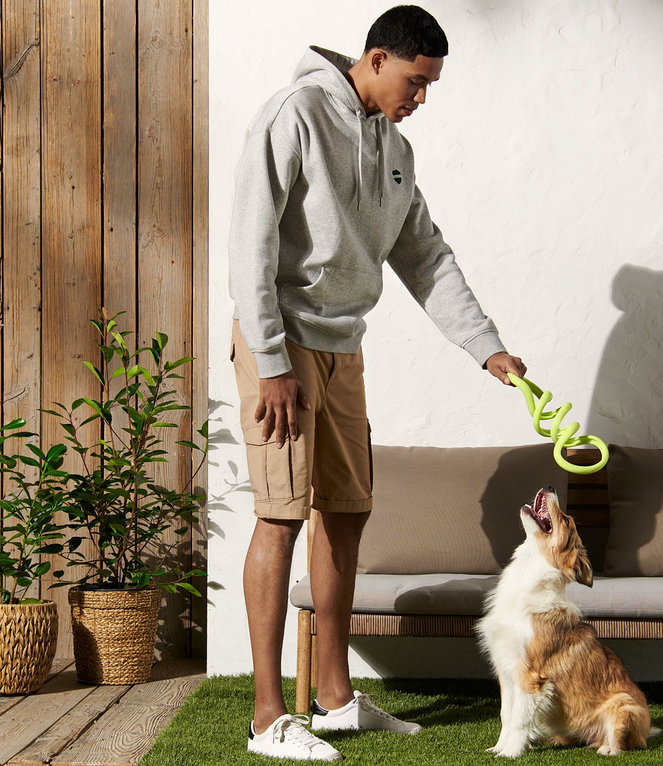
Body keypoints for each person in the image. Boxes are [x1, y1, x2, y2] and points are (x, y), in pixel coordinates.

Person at [228, 5, 526, 761]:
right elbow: (249, 246)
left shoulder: (395, 151)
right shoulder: (293, 116)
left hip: (343, 348)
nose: (421, 99)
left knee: (349, 510)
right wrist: (268, 362)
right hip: (282, 344)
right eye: (417, 82)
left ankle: (332, 699)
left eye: (429, 88)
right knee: (280, 515)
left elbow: (426, 255)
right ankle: (268, 717)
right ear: (378, 57)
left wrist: (485, 347)